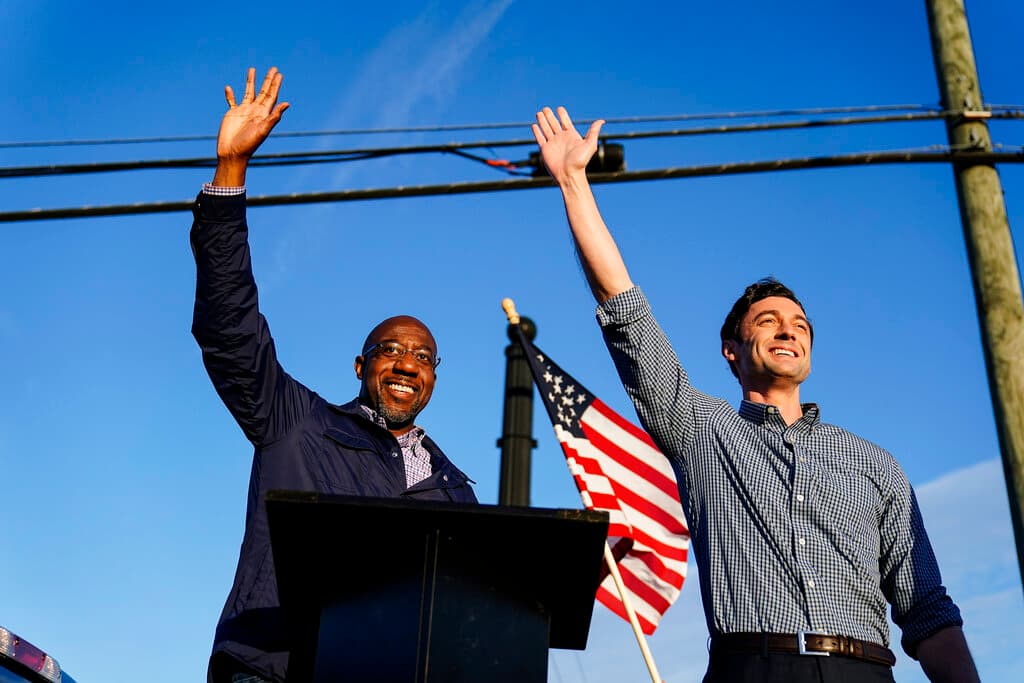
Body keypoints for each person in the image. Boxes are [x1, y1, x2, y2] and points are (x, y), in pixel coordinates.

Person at [532, 105, 980, 683]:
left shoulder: (877, 466)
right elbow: (624, 310)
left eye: (798, 322)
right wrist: (573, 183)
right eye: (767, 321)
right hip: (751, 666)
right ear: (732, 350)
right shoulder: (701, 428)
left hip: (865, 671)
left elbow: (929, 612)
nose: (787, 328)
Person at [190, 67, 478, 683]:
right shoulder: (295, 423)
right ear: (361, 366)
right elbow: (229, 326)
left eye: (423, 358)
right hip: (270, 669)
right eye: (390, 350)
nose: (406, 364)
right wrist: (231, 174)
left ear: (434, 379)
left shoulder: (455, 489)